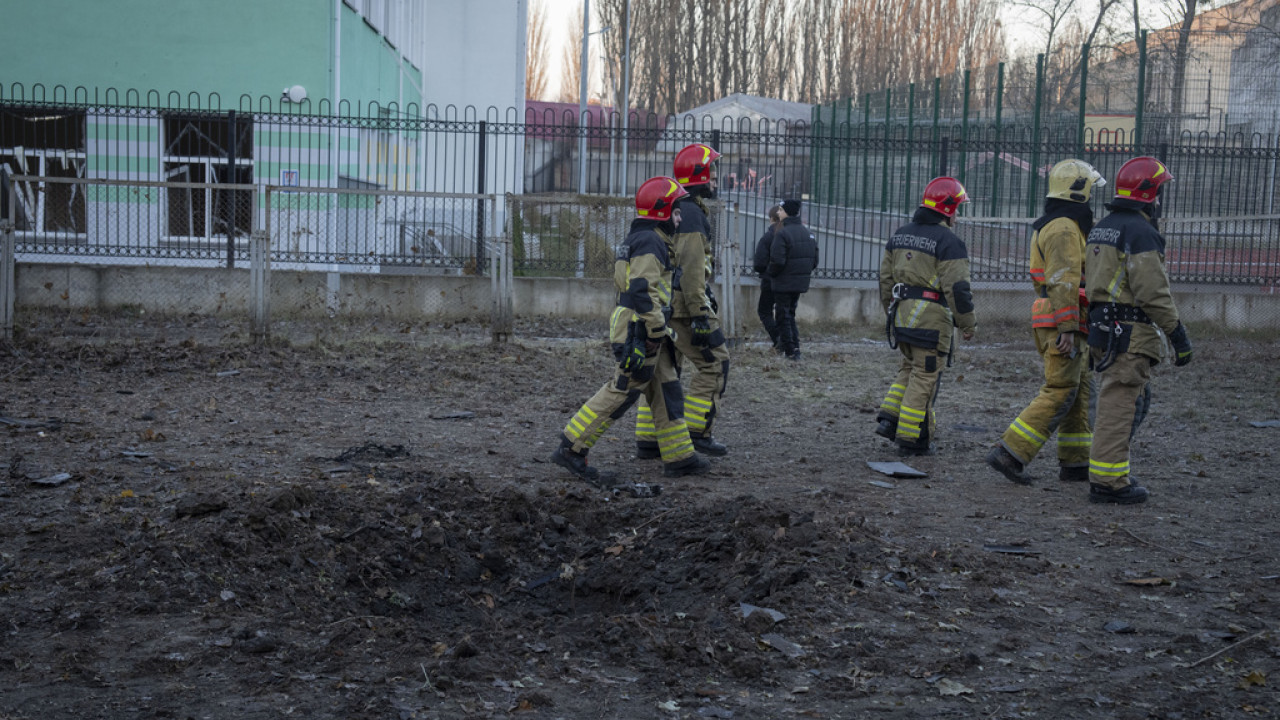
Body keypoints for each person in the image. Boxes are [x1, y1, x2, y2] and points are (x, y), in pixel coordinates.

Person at [550, 177, 712, 482]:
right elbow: (641, 289)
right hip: (640, 328)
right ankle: (572, 447)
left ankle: (680, 457)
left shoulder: (641, 237)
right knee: (623, 389)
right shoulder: (651, 241)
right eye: (676, 213)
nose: (680, 219)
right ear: (662, 211)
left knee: (666, 388)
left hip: (642, 324)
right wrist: (653, 331)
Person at [1082, 156, 1193, 505]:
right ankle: (1108, 482)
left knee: (1127, 399)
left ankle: (1110, 473)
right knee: (1120, 403)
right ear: (1147, 193)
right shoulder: (1141, 232)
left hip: (1103, 328)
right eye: (1158, 191)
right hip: (1127, 332)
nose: (1160, 200)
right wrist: (1177, 334)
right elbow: (1152, 293)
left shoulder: (1104, 226)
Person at [987, 159, 1105, 485]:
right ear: (1079, 191)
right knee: (1061, 389)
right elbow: (1063, 280)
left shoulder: (1053, 224)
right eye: (1090, 190)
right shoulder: (1065, 228)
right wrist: (1067, 326)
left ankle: (1076, 463)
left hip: (1061, 316)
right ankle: (1009, 452)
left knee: (1078, 392)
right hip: (1062, 320)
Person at [635, 144, 732, 459]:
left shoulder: (681, 208)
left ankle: (650, 439)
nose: (715, 181)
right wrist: (701, 314)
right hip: (686, 308)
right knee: (715, 363)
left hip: (666, 306)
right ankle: (696, 432)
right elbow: (691, 269)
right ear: (699, 175)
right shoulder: (692, 214)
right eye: (712, 174)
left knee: (665, 369)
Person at [874, 177, 977, 457]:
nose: (957, 214)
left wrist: (892, 313)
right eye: (956, 208)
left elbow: (885, 280)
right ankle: (910, 438)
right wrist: (967, 324)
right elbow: (958, 289)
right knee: (924, 376)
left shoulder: (900, 235)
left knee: (909, 368)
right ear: (947, 209)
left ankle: (888, 417)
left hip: (902, 315)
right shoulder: (949, 242)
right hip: (931, 323)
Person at [766, 199, 819, 360]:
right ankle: (794, 346)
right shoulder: (807, 233)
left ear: (787, 212)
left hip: (783, 283)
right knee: (790, 314)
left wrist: (771, 273)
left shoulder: (782, 233)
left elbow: (777, 261)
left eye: (781, 210)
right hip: (799, 282)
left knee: (783, 316)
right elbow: (814, 260)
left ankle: (791, 350)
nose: (778, 213)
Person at [752, 204, 783, 350]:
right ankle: (786, 340)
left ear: (771, 218)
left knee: (764, 311)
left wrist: (764, 270)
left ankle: (778, 339)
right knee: (785, 312)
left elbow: (759, 262)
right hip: (788, 280)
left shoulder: (768, 237)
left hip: (769, 279)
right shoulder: (789, 234)